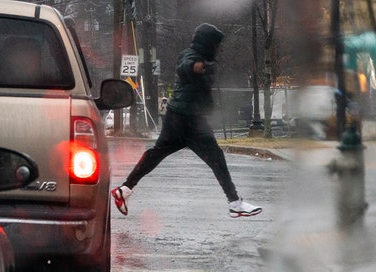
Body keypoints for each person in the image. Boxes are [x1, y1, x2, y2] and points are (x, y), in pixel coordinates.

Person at [111, 23, 262, 218]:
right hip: (189, 120)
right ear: (207, 43)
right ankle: (234, 203)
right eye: (216, 44)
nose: (217, 49)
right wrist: (196, 67)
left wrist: (204, 67)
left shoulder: (202, 59)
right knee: (216, 158)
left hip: (178, 117)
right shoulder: (191, 56)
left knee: (156, 154)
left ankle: (124, 190)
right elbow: (186, 66)